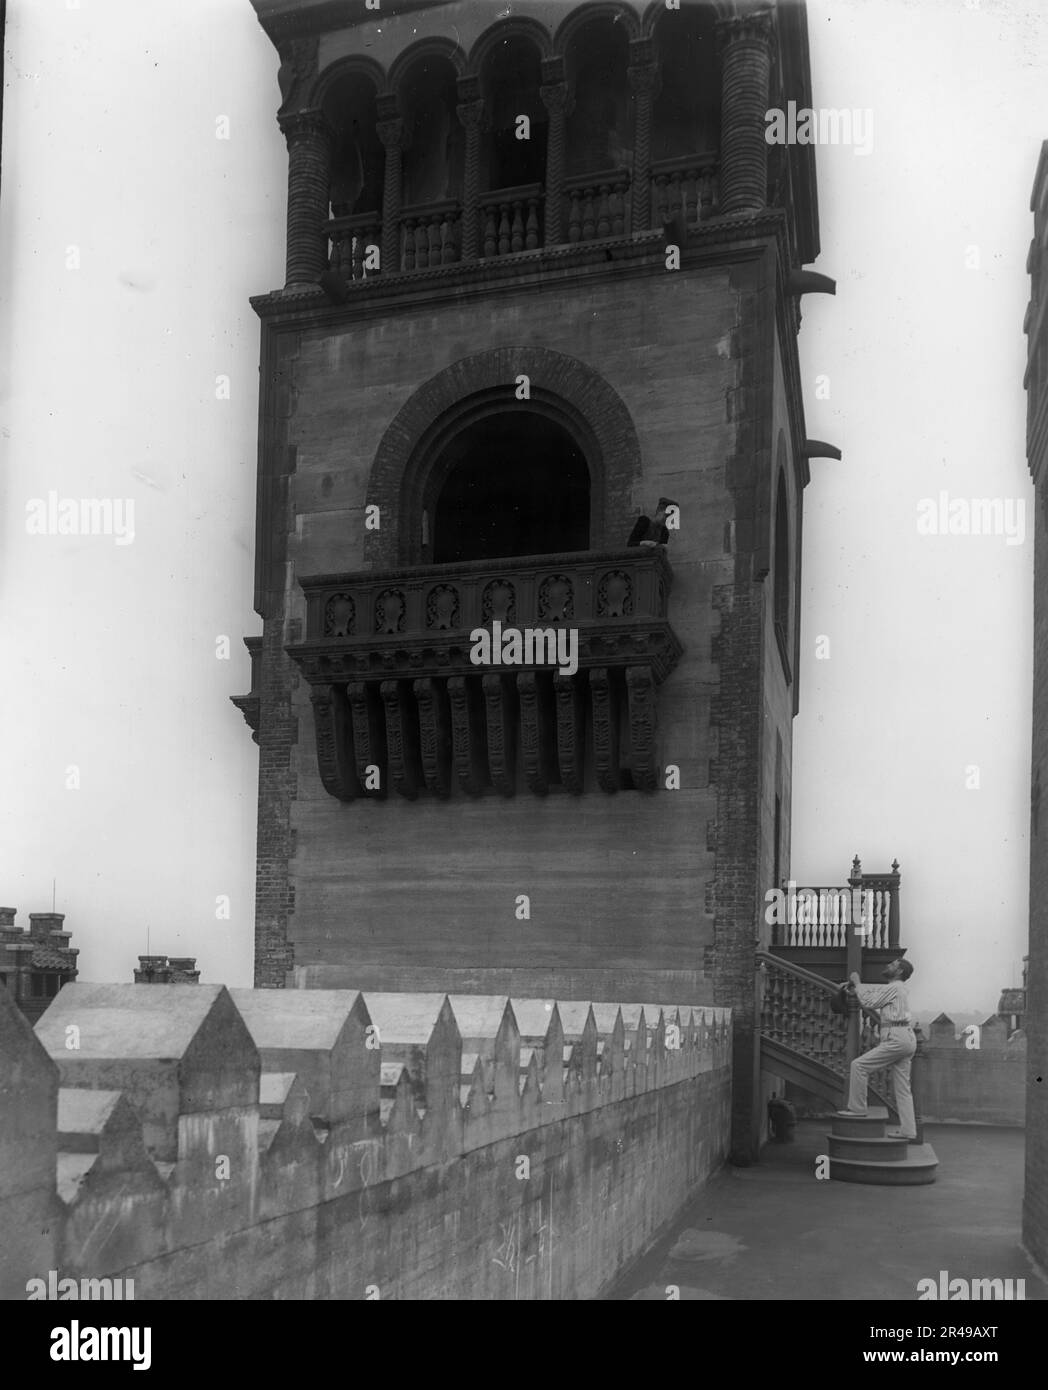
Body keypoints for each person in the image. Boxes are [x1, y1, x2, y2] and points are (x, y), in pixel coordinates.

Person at [841, 957, 917, 1141]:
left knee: (858, 1066)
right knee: (903, 1088)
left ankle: (857, 1109)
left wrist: (857, 982)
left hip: (897, 1037)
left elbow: (867, 1001)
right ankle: (909, 1130)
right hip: (906, 1037)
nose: (887, 965)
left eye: (892, 964)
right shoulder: (897, 988)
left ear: (899, 972)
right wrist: (857, 985)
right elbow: (875, 992)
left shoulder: (895, 987)